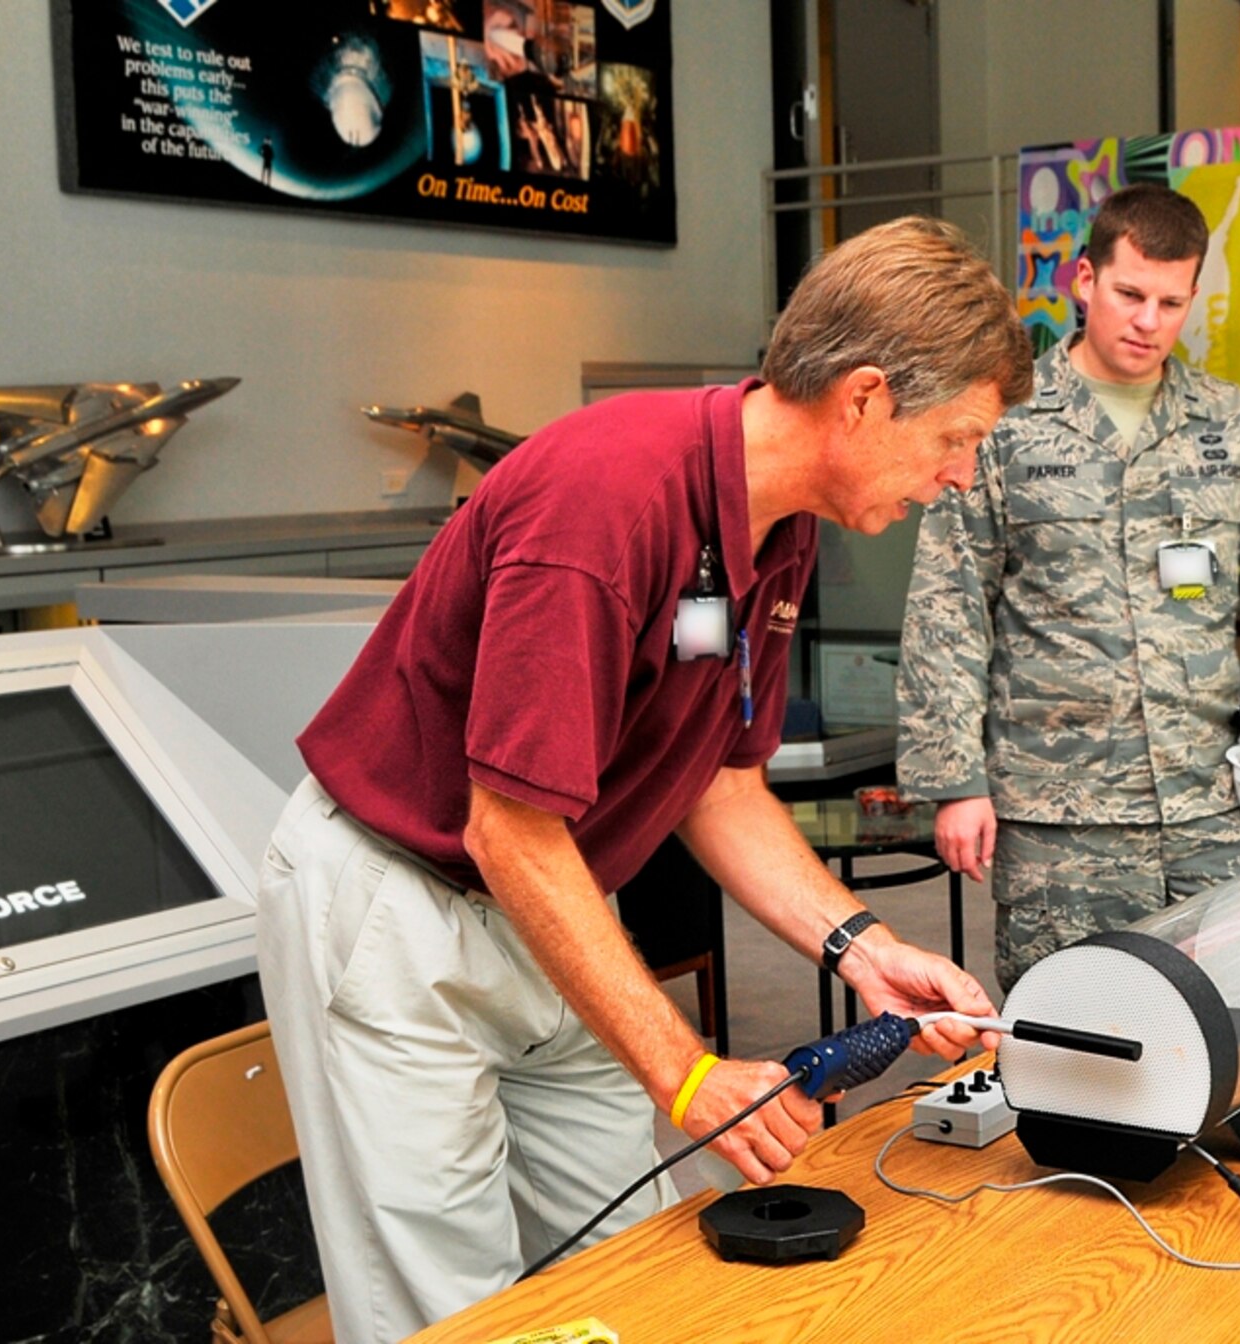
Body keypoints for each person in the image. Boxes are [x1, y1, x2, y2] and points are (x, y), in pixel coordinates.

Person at [256, 217, 1032, 1342]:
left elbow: (715, 782)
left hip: (554, 900)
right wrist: (686, 1075)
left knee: (627, 1266)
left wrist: (864, 946)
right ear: (862, 398)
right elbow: (506, 833)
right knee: (452, 1309)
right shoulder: (605, 498)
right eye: (955, 438)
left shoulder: (779, 527)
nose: (957, 477)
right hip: (404, 911)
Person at [896, 184, 1240, 992]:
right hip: (1060, 824)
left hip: (1207, 805)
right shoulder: (1003, 425)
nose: (1148, 321)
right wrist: (953, 781)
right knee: (1075, 1039)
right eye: (1130, 294)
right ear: (1084, 281)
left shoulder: (1229, 425)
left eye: (1171, 302)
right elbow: (948, 606)